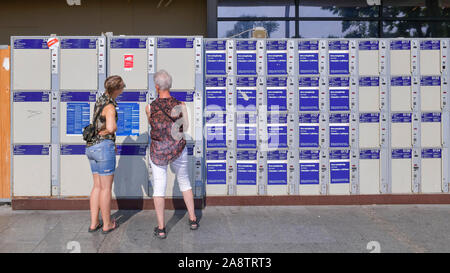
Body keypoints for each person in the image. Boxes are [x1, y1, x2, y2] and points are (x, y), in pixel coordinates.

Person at [146, 70, 199, 239]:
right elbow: (186, 127)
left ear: (156, 86)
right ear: (170, 85)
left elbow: (152, 126)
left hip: (158, 151)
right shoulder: (181, 104)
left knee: (159, 187)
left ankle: (161, 228)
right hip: (178, 149)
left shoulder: (150, 107)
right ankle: (193, 219)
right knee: (185, 182)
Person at [86, 75, 124, 234]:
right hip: (103, 148)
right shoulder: (110, 106)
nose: (123, 89)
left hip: (91, 148)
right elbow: (111, 127)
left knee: (97, 186)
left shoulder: (100, 101)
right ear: (116, 89)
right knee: (106, 188)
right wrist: (109, 131)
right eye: (122, 86)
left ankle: (94, 223)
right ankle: (107, 224)